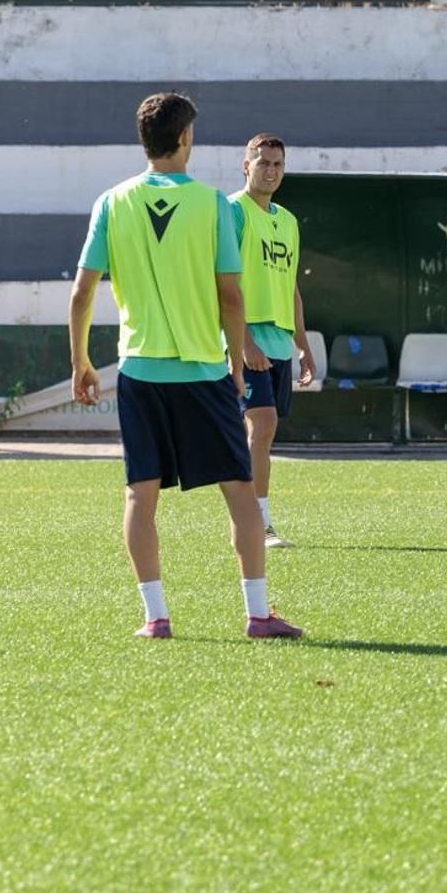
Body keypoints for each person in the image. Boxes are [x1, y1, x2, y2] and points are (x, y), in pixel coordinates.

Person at [67, 92, 302, 639]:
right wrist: (238, 361)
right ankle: (257, 614)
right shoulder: (214, 205)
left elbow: (82, 293)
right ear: (185, 138)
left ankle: (155, 617)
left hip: (140, 371)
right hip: (202, 371)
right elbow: (231, 296)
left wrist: (80, 361)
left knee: (139, 495)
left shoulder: (112, 201)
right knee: (239, 490)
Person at [229, 133, 316, 548]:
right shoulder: (234, 211)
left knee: (265, 430)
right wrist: (244, 341)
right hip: (248, 338)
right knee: (261, 424)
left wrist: (304, 346)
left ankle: (254, 516)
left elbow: (291, 287)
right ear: (246, 166)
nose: (271, 170)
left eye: (278, 164)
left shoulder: (289, 220)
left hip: (280, 342)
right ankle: (256, 523)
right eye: (263, 163)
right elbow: (220, 282)